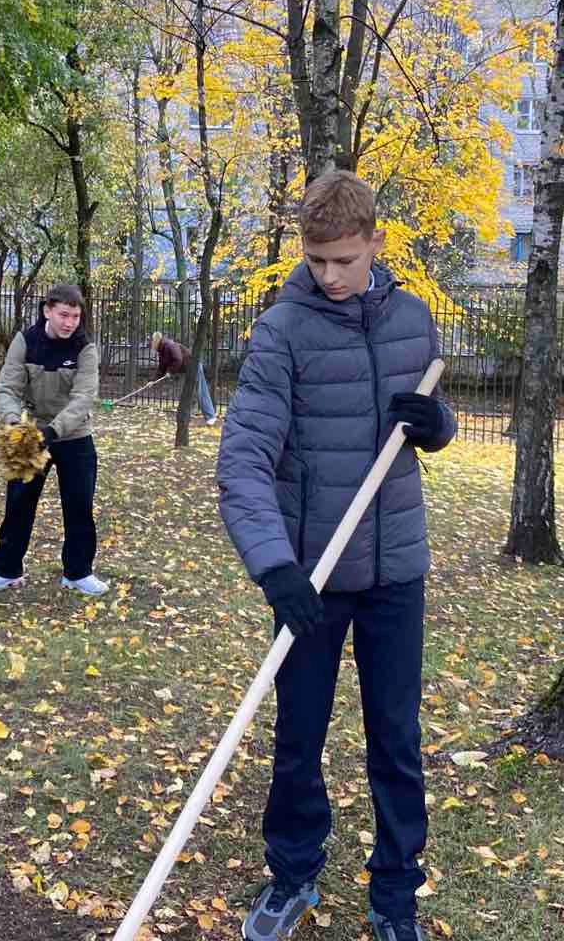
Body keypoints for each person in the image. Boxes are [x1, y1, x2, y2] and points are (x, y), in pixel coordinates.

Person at [217, 171, 456, 941]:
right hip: (311, 575)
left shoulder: (414, 321)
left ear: (376, 244)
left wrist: (438, 426)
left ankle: (395, 898)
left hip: (395, 571)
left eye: (344, 261)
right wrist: (274, 565)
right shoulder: (281, 331)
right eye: (317, 261)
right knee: (299, 735)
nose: (330, 277)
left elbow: (418, 430)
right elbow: (244, 460)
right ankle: (291, 875)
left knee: (396, 738)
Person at [0, 283, 107, 597]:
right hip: (30, 434)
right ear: (47, 311)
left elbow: (83, 399)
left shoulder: (85, 348)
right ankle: (5, 571)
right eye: (64, 315)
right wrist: (14, 423)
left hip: (74, 437)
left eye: (75, 316)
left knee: (79, 506)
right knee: (18, 503)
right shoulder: (25, 341)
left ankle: (78, 573)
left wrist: (51, 433)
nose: (70, 323)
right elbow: (8, 388)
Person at [151, 331, 217, 424]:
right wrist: (153, 381)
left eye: (152, 342)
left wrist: (170, 372)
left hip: (194, 366)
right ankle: (186, 416)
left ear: (156, 341)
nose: (151, 344)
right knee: (188, 391)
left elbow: (178, 359)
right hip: (188, 369)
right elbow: (161, 369)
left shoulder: (170, 345)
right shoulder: (162, 351)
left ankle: (210, 416)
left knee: (201, 390)